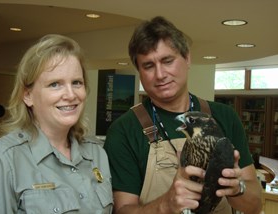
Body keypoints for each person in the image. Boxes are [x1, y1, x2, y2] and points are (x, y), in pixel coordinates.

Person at [104, 16, 262, 214]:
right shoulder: (124, 130)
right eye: (148, 66)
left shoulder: (224, 116)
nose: (160, 74)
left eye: (167, 61)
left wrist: (237, 188)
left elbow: (255, 205)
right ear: (139, 71)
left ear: (187, 58)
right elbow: (123, 210)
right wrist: (166, 204)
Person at [0, 34, 113, 213]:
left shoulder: (97, 153)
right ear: (28, 95)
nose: (71, 94)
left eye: (77, 83)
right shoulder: (3, 159)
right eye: (55, 84)